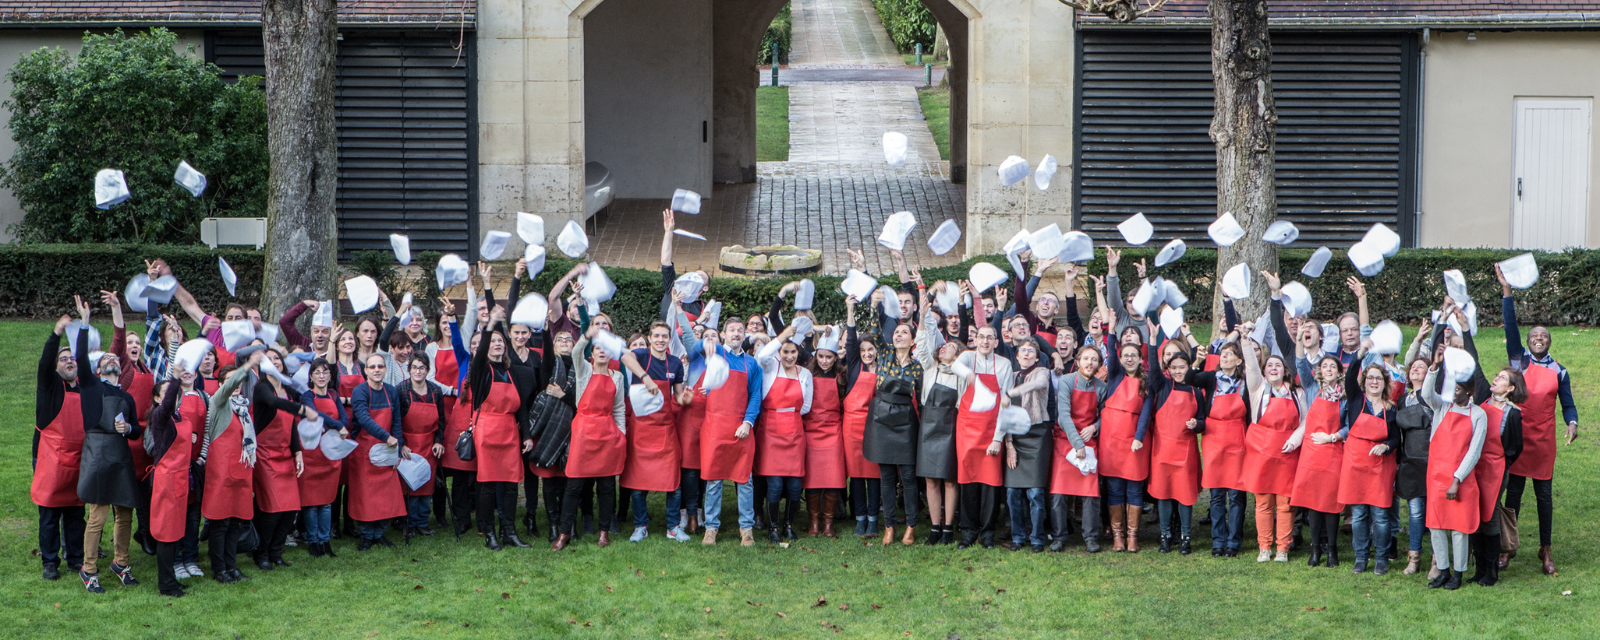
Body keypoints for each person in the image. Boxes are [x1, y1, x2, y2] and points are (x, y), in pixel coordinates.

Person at [1497, 263, 1577, 576]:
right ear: (1528, 342)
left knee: (1544, 499)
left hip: (1544, 442)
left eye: (1544, 335)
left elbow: (1568, 405)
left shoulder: (1560, 371)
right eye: (1535, 335)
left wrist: (1573, 423)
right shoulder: (1518, 361)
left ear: (1549, 342)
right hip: (1518, 440)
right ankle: (1508, 546)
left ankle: (1545, 548)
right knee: (1513, 495)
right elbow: (1511, 325)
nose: (1539, 338)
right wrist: (1507, 292)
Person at [1240, 276, 1308, 563]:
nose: (1273, 368)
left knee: (1285, 503)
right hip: (1261, 452)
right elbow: (1251, 363)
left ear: (1285, 370)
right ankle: (1264, 546)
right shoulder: (1258, 389)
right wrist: (1245, 339)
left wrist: (1295, 440)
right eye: (1270, 365)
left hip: (1287, 452)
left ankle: (1282, 547)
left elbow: (1305, 421)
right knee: (1263, 502)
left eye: (1278, 365)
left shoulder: (1297, 393)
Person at [77, 319, 145, 593]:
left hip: (120, 458)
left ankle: (121, 563)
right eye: (105, 359)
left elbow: (137, 430)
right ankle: (89, 569)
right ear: (97, 369)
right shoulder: (91, 389)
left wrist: (128, 427)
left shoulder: (126, 397)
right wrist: (84, 324)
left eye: (113, 358)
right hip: (97, 456)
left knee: (126, 515)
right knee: (98, 517)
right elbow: (81, 358)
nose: (110, 360)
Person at [859, 281, 925, 546]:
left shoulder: (918, 368)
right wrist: (874, 305)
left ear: (912, 340)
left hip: (905, 422)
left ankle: (910, 526)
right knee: (886, 476)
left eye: (903, 333)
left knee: (908, 477)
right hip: (881, 419)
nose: (898, 335)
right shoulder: (884, 354)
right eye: (896, 332)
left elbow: (920, 395)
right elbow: (875, 331)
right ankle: (889, 527)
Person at [687, 316, 763, 546]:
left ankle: (746, 529)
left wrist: (747, 422)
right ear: (723, 334)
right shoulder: (716, 354)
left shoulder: (752, 364)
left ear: (744, 335)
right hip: (714, 427)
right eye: (732, 330)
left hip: (741, 427)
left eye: (740, 330)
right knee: (713, 479)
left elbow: (755, 396)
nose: (736, 334)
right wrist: (704, 344)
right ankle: (711, 528)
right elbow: (695, 348)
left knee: (745, 479)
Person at [466, 314, 536, 550]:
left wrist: (526, 435)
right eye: (493, 341)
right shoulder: (480, 371)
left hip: (509, 432)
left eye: (500, 341)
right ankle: (489, 533)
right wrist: (489, 327)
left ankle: (509, 532)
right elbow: (481, 349)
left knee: (510, 484)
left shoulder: (512, 371)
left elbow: (522, 408)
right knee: (487, 484)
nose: (497, 344)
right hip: (487, 431)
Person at [1419, 350, 1488, 591]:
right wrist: (1434, 368)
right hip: (1436, 476)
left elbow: (1474, 451)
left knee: (1459, 528)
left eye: (1458, 388)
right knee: (1436, 525)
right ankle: (1443, 571)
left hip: (1461, 479)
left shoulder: (1478, 415)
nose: (1453, 392)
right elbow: (1426, 394)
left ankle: (1458, 573)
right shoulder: (1441, 408)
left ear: (1469, 391)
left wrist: (1457, 479)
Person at [557, 327, 629, 548]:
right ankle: (564, 533)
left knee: (607, 486)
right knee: (574, 485)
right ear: (592, 352)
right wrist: (587, 336)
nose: (602, 352)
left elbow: (618, 408)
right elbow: (576, 352)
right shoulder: (584, 369)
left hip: (607, 434)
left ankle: (603, 532)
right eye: (598, 348)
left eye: (606, 349)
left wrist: (621, 434)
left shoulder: (617, 377)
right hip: (583, 432)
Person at [34, 311, 92, 582]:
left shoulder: (85, 390)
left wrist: (84, 325)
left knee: (75, 514)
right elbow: (45, 362)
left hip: (78, 461)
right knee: (48, 516)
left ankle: (76, 558)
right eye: (63, 358)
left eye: (73, 359)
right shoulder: (49, 386)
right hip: (50, 462)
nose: (69, 362)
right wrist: (56, 334)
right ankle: (49, 561)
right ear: (57, 366)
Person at [618, 321, 688, 542]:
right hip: (641, 429)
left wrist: (686, 398)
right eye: (656, 336)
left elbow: (677, 396)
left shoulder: (675, 363)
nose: (660, 340)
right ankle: (640, 526)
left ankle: (673, 526)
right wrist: (645, 377)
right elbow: (624, 357)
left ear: (669, 339)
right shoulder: (639, 355)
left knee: (673, 482)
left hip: (665, 428)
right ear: (649, 338)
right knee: (638, 484)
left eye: (664, 336)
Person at [1143, 320, 1207, 556]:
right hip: (1162, 452)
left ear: (1189, 368)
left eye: (1183, 367)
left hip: (1186, 452)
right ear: (1168, 369)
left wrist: (1196, 425)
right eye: (1174, 367)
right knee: (1163, 495)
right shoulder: (1162, 386)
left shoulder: (1195, 391)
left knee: (1186, 496)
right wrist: (1152, 340)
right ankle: (1165, 536)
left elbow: (1202, 421)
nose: (1179, 371)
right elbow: (1151, 369)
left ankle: (1186, 538)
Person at [249, 349, 318, 568]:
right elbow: (273, 404)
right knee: (271, 509)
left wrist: (297, 451)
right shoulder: (261, 388)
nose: (275, 362)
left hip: (285, 455)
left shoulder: (287, 390)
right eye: (270, 359)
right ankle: (261, 553)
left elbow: (290, 426)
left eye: (278, 358)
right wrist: (302, 409)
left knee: (289, 510)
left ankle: (276, 553)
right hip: (265, 455)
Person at [1337, 346, 1402, 576]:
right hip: (1356, 463)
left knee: (1381, 516)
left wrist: (1386, 446)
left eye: (1378, 378)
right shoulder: (1356, 400)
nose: (1374, 381)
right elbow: (1351, 372)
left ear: (1385, 383)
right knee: (1359, 514)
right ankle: (1361, 557)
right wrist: (1360, 354)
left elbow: (1395, 437)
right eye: (1370, 378)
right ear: (1364, 382)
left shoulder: (1391, 409)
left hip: (1380, 466)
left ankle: (1382, 558)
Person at [202, 355, 261, 583]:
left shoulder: (244, 409)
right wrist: (246, 366)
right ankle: (219, 569)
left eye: (238, 381)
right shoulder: (218, 403)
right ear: (221, 385)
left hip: (241, 474)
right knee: (221, 523)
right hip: (221, 475)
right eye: (229, 381)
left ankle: (231, 566)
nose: (235, 385)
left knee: (236, 523)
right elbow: (226, 389)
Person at [1188, 335, 1249, 558]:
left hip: (1237, 440)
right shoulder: (1211, 378)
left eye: (1230, 353)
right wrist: (1196, 362)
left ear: (1239, 361)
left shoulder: (1246, 383)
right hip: (1214, 439)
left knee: (1235, 496)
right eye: (1223, 353)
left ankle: (1233, 542)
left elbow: (1250, 415)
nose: (1224, 356)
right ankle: (1218, 541)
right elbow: (1189, 378)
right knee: (1216, 496)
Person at [1292, 321, 1347, 568]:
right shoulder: (1312, 387)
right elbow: (1301, 362)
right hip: (1312, 453)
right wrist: (1298, 337)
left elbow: (1350, 425)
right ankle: (1315, 550)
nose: (1327, 369)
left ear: (1338, 371)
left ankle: (1332, 550)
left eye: (1331, 366)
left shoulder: (1346, 397)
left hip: (1334, 451)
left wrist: (1333, 437)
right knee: (1313, 503)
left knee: (1331, 503)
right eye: (1324, 366)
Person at [753, 325, 814, 542]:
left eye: (793, 351)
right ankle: (773, 527)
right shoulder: (770, 368)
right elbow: (761, 355)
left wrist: (789, 412)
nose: (789, 356)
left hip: (795, 433)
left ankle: (788, 525)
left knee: (795, 486)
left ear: (799, 353)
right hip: (770, 431)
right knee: (775, 484)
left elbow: (806, 406)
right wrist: (782, 337)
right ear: (779, 353)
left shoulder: (805, 374)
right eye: (785, 351)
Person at [348, 353, 411, 550]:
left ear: (385, 369)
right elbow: (364, 418)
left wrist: (398, 448)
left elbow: (396, 421)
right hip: (363, 451)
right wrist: (387, 437)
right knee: (365, 497)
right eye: (372, 367)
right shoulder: (360, 392)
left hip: (387, 449)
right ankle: (367, 536)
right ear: (365, 370)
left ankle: (379, 533)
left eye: (380, 366)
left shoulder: (391, 391)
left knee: (386, 495)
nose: (376, 370)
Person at [913, 298, 961, 546]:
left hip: (950, 428)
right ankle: (934, 528)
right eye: (942, 346)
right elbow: (922, 344)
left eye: (950, 346)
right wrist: (922, 316)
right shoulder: (930, 368)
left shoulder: (961, 375)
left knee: (949, 479)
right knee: (930, 480)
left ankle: (949, 528)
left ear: (959, 353)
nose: (943, 347)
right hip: (928, 427)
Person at [1052, 345, 1106, 553]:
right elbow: (1063, 415)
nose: (1089, 363)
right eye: (1086, 359)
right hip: (1065, 441)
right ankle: (1058, 536)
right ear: (1078, 361)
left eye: (1094, 360)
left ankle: (1091, 536)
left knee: (1091, 492)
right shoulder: (1066, 381)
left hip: (1089, 441)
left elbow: (1104, 415)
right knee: (1058, 491)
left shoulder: (1101, 387)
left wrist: (1095, 427)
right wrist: (1077, 444)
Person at [146, 372, 196, 597]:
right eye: (167, 393)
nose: (173, 396)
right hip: (166, 483)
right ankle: (166, 584)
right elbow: (167, 405)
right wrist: (175, 378)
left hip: (180, 481)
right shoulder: (160, 416)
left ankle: (170, 579)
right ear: (157, 399)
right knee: (167, 535)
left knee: (176, 533)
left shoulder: (179, 418)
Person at [1001, 341, 1052, 552]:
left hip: (1037, 435)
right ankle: (1018, 536)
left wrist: (1011, 393)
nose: (1026, 353)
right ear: (1017, 355)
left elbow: (1036, 385)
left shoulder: (1042, 372)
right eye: (1022, 350)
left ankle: (1037, 538)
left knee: (1035, 493)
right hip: (1016, 438)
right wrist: (1009, 444)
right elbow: (1005, 416)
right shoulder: (1010, 376)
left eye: (1031, 350)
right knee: (1012, 492)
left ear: (1037, 357)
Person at [840, 295, 883, 538]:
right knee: (856, 474)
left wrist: (875, 308)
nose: (867, 353)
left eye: (871, 349)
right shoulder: (855, 364)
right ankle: (860, 518)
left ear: (877, 350)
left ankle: (874, 520)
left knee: (874, 474)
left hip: (875, 426)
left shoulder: (885, 367)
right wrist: (850, 309)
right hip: (852, 427)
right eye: (863, 350)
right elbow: (851, 336)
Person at [298, 359, 349, 557]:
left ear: (330, 376)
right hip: (312, 454)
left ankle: (325, 540)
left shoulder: (334, 395)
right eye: (317, 372)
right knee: (311, 501)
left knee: (327, 501)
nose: (321, 376)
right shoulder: (306, 396)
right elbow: (315, 413)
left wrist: (340, 425)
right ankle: (313, 541)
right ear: (310, 376)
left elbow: (344, 417)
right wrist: (337, 426)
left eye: (325, 372)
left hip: (329, 453)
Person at [803, 326, 848, 537]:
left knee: (833, 478)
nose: (824, 361)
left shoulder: (842, 375)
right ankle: (814, 521)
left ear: (835, 357)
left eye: (828, 357)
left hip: (833, 431)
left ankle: (828, 522)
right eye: (820, 356)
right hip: (810, 431)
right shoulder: (807, 375)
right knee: (812, 479)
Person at [398, 355, 448, 538]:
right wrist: (401, 444)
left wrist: (439, 441)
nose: (418, 371)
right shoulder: (401, 390)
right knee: (410, 486)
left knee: (426, 485)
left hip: (429, 445)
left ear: (428, 370)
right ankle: (408, 524)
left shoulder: (435, 391)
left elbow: (441, 421)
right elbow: (395, 421)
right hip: (409, 446)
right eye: (415, 367)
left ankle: (422, 522)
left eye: (422, 367)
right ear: (409, 369)